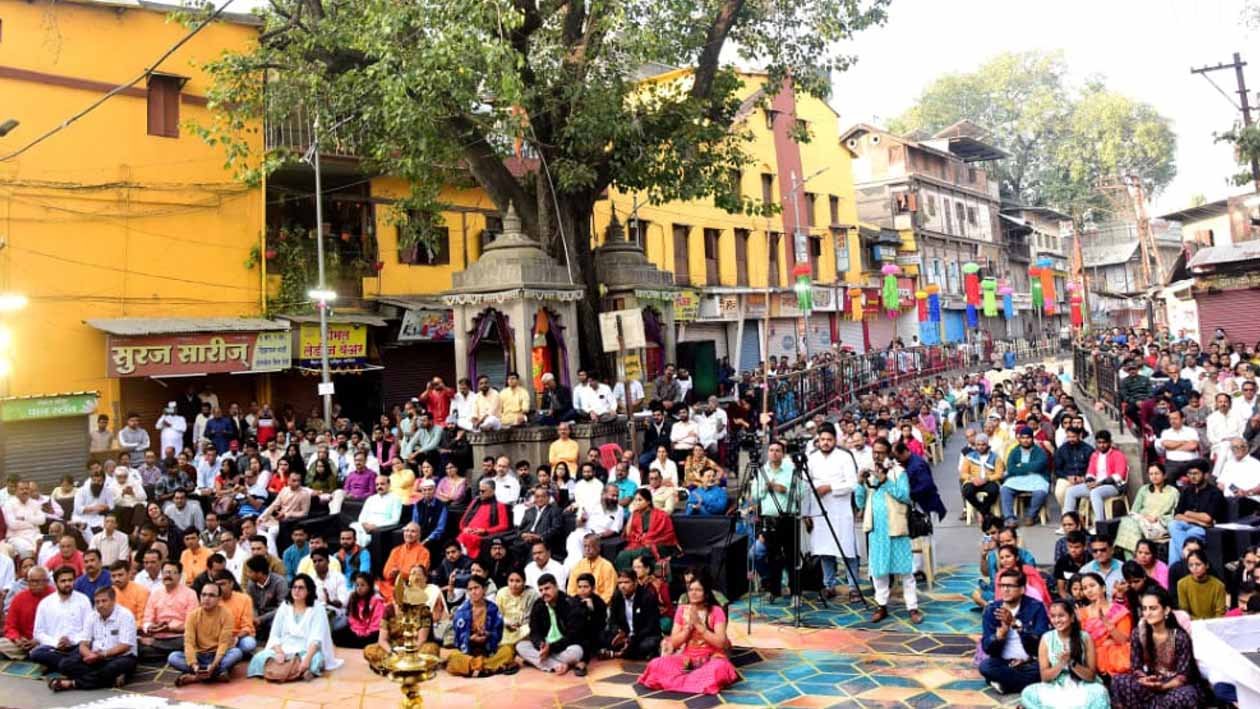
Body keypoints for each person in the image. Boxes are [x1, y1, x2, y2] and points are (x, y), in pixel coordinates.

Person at [637, 571, 737, 695]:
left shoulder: (716, 611)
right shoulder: (682, 610)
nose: (693, 593)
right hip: (687, 659)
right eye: (691, 590)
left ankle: (686, 680)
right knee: (655, 664)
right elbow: (674, 642)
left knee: (717, 670)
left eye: (698, 590)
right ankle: (691, 681)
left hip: (712, 658)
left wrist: (700, 627)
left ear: (706, 593)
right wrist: (687, 629)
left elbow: (721, 643)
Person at [855, 438, 922, 623]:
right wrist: (860, 483)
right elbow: (860, 502)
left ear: (888, 454)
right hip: (876, 530)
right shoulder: (868, 472)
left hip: (896, 527)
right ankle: (881, 605)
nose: (877, 456)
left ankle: (913, 607)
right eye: (874, 452)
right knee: (879, 571)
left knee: (906, 571)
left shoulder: (898, 472)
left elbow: (904, 496)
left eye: (881, 452)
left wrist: (884, 480)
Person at [1109, 586, 1203, 707]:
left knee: (1185, 695)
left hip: (1173, 686)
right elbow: (1136, 666)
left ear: (1166, 610)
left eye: (1153, 608)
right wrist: (1145, 680)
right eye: (1144, 609)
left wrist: (1163, 686)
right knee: (1119, 681)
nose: (1147, 613)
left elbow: (1183, 675)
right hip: (1149, 683)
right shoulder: (1139, 633)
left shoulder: (1179, 637)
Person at [802, 423, 860, 601]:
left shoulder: (844, 456)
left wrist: (830, 487)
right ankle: (829, 585)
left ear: (835, 440)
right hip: (818, 509)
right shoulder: (811, 458)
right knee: (824, 549)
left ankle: (853, 587)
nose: (825, 443)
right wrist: (806, 513)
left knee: (847, 549)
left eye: (829, 439)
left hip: (840, 509)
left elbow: (852, 484)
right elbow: (805, 485)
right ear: (817, 441)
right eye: (822, 440)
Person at [246, 574, 340, 681]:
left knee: (317, 659)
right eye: (294, 587)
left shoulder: (317, 608)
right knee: (258, 658)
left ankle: (300, 670)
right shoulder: (285, 606)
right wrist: (279, 652)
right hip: (284, 647)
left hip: (305, 649)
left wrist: (307, 660)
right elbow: (275, 634)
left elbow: (316, 639)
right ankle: (297, 673)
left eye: (301, 588)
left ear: (308, 591)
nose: (296, 591)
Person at [1018, 599, 1109, 709]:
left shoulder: (1084, 637)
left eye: (1061, 616)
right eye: (1053, 616)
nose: (1057, 620)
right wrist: (1061, 663)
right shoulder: (1046, 638)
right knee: (1028, 693)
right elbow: (1045, 678)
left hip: (1082, 686)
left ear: (1072, 617)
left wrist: (1071, 662)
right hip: (1056, 688)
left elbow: (1090, 676)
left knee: (1100, 692)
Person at [47, 586, 138, 692]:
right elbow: (83, 644)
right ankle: (111, 679)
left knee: (111, 668)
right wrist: (89, 655)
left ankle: (72, 683)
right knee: (65, 664)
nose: (100, 605)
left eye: (104, 601)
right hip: (95, 658)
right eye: (97, 602)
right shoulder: (92, 616)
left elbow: (125, 646)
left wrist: (102, 655)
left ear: (113, 601)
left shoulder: (125, 615)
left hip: (120, 657)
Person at [980, 568, 1050, 695]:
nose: (1005, 589)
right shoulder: (992, 610)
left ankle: (1006, 685)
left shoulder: (1036, 607)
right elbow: (987, 647)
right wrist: (999, 637)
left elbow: (1042, 639)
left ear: (1022, 589)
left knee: (1044, 668)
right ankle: (1024, 684)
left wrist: (1016, 624)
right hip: (1004, 663)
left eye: (1010, 586)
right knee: (985, 666)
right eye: (1002, 586)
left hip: (1030, 661)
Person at [168, 580, 241, 686]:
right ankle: (215, 675)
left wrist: (214, 664)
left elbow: (223, 643)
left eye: (211, 595)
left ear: (219, 599)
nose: (206, 598)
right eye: (204, 595)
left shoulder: (226, 614)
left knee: (236, 653)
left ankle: (196, 677)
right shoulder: (193, 616)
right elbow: (189, 643)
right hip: (199, 656)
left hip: (217, 656)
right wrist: (194, 665)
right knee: (173, 657)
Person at [445, 574, 516, 677]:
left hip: (488, 650)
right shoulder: (461, 611)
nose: (473, 591)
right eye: (470, 589)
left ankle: (477, 668)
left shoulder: (493, 609)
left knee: (508, 650)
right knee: (454, 658)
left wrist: (488, 635)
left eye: (476, 587)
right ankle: (487, 667)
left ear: (484, 589)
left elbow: (498, 633)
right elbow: (459, 638)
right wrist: (470, 638)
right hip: (468, 651)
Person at [515, 573, 584, 674]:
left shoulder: (570, 604)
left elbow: (572, 636)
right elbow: (534, 631)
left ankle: (541, 661)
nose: (544, 593)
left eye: (547, 588)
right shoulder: (538, 605)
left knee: (576, 652)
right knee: (521, 646)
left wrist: (551, 648)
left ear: (556, 587)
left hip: (563, 647)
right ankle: (557, 665)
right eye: (541, 590)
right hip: (545, 648)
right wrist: (540, 644)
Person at [1168, 462, 1224, 566]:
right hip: (1190, 525)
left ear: (1205, 475)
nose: (1192, 477)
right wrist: (1197, 519)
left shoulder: (1215, 493)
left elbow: (1207, 518)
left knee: (1173, 542)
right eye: (1189, 474)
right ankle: (1188, 558)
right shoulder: (1186, 491)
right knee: (1172, 524)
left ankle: (1176, 573)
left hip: (1202, 529)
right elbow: (1176, 515)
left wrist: (1188, 513)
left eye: (1196, 473)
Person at [1115, 463, 1179, 554]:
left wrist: (1158, 519)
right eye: (1151, 474)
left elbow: (1176, 514)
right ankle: (1133, 557)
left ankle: (1136, 556)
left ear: (1164, 475)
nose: (1154, 477)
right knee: (1127, 522)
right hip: (1142, 521)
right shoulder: (1144, 489)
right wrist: (1143, 517)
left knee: (1131, 527)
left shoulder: (1173, 492)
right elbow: (1134, 511)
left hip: (1159, 525)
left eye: (1157, 473)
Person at [139, 560, 198, 659]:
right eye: (165, 572)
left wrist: (170, 628)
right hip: (158, 636)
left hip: (179, 637)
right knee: (137, 645)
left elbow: (191, 623)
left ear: (179, 576)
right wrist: (151, 627)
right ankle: (168, 653)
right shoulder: (155, 594)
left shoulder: (190, 594)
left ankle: (161, 651)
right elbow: (147, 619)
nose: (168, 575)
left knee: (190, 641)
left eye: (172, 572)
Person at [1077, 572, 1132, 676]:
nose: (1089, 590)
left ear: (1103, 588)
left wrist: (1109, 625)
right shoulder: (1081, 613)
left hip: (1116, 660)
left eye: (1092, 585)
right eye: (1085, 588)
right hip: (1089, 658)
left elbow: (1123, 641)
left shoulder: (1119, 611)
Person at [601, 568, 661, 660]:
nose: (622, 586)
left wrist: (632, 638)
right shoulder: (617, 597)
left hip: (642, 635)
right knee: (603, 637)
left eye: (626, 582)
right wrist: (618, 632)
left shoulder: (647, 597)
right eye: (620, 583)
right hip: (624, 635)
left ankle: (617, 654)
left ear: (635, 583)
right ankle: (629, 652)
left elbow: (651, 626)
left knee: (648, 644)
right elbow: (612, 620)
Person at [615, 489, 680, 571]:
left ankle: (628, 577)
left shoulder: (661, 515)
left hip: (659, 545)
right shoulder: (635, 514)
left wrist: (648, 539)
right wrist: (632, 514)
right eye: (635, 500)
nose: (636, 503)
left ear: (648, 502)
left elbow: (668, 535)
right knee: (622, 554)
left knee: (626, 555)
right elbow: (628, 534)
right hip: (639, 544)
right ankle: (627, 578)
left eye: (640, 500)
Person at [1001, 427, 1050, 527]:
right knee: (1005, 489)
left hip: (1037, 477)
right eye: (1023, 438)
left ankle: (1031, 516)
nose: (1025, 440)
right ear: (1019, 439)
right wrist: (1029, 467)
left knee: (1040, 492)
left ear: (1032, 438)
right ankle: (1009, 518)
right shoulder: (1014, 451)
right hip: (1017, 478)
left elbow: (1039, 466)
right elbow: (1011, 468)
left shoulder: (1039, 451)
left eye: (1028, 438)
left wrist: (1021, 466)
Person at [0, 565, 51, 660]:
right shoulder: (19, 598)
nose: (35, 584)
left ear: (46, 581)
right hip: (22, 643)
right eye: (32, 581)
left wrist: (38, 641)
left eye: (39, 581)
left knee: (49, 650)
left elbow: (58, 629)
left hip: (45, 643)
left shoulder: (54, 597)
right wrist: (17, 639)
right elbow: (10, 626)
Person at [456, 479, 512, 559]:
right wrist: (464, 528)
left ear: (492, 491)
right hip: (467, 533)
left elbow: (504, 526)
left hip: (484, 536)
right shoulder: (475, 502)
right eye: (479, 491)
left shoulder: (500, 505)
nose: (480, 493)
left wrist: (485, 531)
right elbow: (463, 521)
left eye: (483, 491)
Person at [332, 572, 385, 649]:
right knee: (336, 634)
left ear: (370, 586)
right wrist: (357, 631)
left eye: (362, 585)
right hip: (357, 631)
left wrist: (367, 632)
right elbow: (352, 618)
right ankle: (360, 644)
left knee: (375, 637)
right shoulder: (354, 598)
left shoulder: (376, 601)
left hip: (370, 632)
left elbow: (377, 622)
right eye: (357, 585)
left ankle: (359, 644)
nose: (359, 588)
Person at [959, 432, 1003, 520]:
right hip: (974, 481)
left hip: (989, 481)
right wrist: (972, 478)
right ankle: (984, 511)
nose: (981, 447)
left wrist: (986, 479)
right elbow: (963, 473)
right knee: (967, 491)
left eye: (983, 444)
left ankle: (982, 511)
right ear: (975, 445)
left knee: (994, 491)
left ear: (987, 444)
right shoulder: (969, 456)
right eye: (978, 445)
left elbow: (999, 474)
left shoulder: (995, 457)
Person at [351, 475, 403, 547]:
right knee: (353, 526)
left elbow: (395, 520)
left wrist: (376, 526)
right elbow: (362, 516)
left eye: (382, 484)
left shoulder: (395, 499)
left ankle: (358, 553)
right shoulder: (371, 499)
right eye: (377, 484)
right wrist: (364, 524)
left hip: (380, 527)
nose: (379, 487)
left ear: (389, 485)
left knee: (362, 538)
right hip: (365, 527)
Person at [1176, 549, 1226, 620]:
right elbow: (1184, 612)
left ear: (1207, 565)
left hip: (1213, 625)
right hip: (1191, 625)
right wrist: (1200, 622)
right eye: (1191, 565)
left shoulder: (1219, 585)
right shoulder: (1182, 584)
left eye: (1198, 564)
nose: (1194, 568)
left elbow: (1220, 613)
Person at [1155, 410, 1202, 484]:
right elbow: (1166, 444)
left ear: (1183, 419)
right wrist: (1184, 442)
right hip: (1172, 463)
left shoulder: (1191, 431)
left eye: (1175, 418)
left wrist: (1172, 447)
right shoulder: (1166, 432)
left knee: (1197, 480)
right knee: (1165, 480)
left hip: (1191, 462)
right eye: (1170, 419)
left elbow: (1193, 446)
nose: (1172, 421)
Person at [567, 533, 616, 603]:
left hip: (601, 607)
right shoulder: (577, 566)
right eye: (585, 546)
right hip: (579, 606)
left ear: (598, 548)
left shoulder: (607, 567)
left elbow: (609, 593)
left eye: (590, 546)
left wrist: (595, 605)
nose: (587, 549)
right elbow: (571, 591)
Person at [495, 569, 538, 647]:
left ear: (524, 582)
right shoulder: (501, 593)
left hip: (524, 627)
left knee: (529, 630)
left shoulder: (532, 594)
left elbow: (533, 617)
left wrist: (520, 625)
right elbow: (498, 615)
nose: (514, 584)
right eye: (511, 581)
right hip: (505, 626)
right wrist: (507, 623)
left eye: (518, 581)